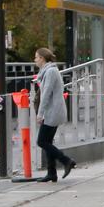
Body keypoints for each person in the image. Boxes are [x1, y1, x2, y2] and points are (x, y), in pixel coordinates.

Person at [34, 47, 76, 182]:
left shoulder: (50, 71)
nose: (34, 60)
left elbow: (46, 94)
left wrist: (40, 114)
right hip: (53, 111)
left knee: (41, 141)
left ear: (42, 58)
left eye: (36, 57)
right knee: (47, 141)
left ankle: (66, 160)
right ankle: (51, 173)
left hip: (52, 112)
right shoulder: (48, 71)